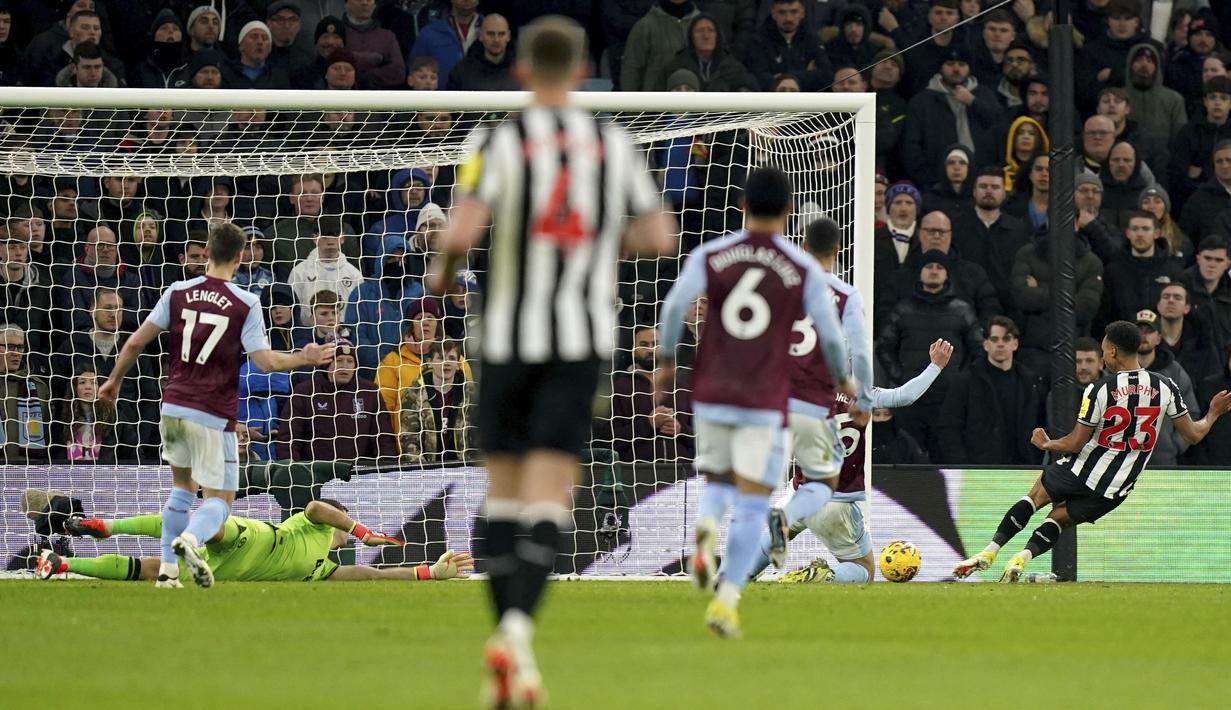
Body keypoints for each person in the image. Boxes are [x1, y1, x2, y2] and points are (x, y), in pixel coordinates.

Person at [424, 17, 676, 706]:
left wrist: (442, 273)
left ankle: (506, 639)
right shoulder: (610, 143)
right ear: (582, 71)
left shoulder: (497, 138)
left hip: (506, 336)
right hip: (579, 338)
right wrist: (594, 243)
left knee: (502, 491)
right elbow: (659, 233)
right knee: (549, 491)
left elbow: (465, 229)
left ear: (521, 71)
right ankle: (515, 632)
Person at [657, 167, 851, 638]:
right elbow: (828, 331)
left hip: (713, 392)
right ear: (788, 211)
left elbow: (675, 304)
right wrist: (844, 379)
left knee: (720, 483)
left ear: (742, 204)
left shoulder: (712, 253)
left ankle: (705, 527)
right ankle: (725, 602)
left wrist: (665, 360)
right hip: (765, 398)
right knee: (751, 502)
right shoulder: (802, 267)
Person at [97, 223, 333, 589]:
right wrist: (306, 356)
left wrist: (113, 381)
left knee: (182, 489)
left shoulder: (176, 292)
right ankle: (191, 540)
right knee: (220, 501)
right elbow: (266, 363)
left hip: (172, 405)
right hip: (213, 413)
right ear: (240, 258)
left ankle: (167, 572)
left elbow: (133, 343)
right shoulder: (246, 302)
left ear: (206, 252)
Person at [954, 321, 1231, 583]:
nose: (1102, 357)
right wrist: (1213, 413)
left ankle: (990, 550)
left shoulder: (1099, 390)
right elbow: (1194, 435)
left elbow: (1075, 443)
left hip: (1083, 469)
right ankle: (1022, 558)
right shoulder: (1165, 386)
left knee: (1036, 495)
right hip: (1117, 488)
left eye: (1102, 351)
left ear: (1112, 351)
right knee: (1058, 519)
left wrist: (1049, 444)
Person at [766, 339, 954, 584]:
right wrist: (935, 366)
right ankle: (824, 576)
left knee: (771, 540)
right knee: (864, 570)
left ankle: (734, 575)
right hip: (836, 498)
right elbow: (903, 396)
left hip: (801, 490)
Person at [761, 217, 873, 571]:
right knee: (863, 569)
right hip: (816, 406)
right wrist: (864, 397)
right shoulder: (844, 295)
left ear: (804, 248)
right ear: (837, 251)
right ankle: (820, 574)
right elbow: (862, 352)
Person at [39, 499, 472, 583]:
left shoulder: (326, 570)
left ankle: (62, 565)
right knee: (202, 524)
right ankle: (107, 526)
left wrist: (428, 572)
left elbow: (373, 573)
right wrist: (359, 529)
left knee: (152, 570)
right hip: (262, 543)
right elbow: (318, 505)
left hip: (227, 570)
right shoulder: (320, 525)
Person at [938, 316, 1043, 464]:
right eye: (994, 339)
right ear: (986, 344)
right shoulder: (966, 380)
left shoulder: (1029, 381)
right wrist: (962, 464)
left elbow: (1039, 424)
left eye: (1006, 339)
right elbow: (950, 426)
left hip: (1021, 467)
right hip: (979, 468)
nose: (1000, 344)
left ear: (1015, 344)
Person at [275, 339, 396, 462]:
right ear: (327, 363)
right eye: (338, 361)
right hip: (316, 474)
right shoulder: (305, 392)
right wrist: (294, 472)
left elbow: (383, 438)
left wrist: (386, 472)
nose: (344, 366)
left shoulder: (369, 392)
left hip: (360, 474)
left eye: (350, 361)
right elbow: (289, 439)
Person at [399, 338, 476, 465]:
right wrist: (422, 469)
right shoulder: (413, 394)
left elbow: (478, 432)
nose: (446, 363)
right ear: (429, 362)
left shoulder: (471, 393)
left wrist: (474, 465)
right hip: (426, 469)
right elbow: (409, 437)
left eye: (451, 358)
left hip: (466, 468)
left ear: (458, 364)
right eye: (440, 358)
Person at [621, 0, 702, 92]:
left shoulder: (705, 25)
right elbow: (631, 72)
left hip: (698, 102)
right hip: (655, 102)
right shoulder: (645, 26)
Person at [1157, 282, 1222, 384]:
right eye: (1166, 297)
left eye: (1177, 297)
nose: (1170, 301)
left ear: (1187, 308)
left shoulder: (1202, 344)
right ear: (1158, 306)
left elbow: (1212, 381)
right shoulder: (1146, 342)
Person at [1184, 235, 1231, 350]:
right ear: (1198, 259)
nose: (1212, 265)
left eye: (1218, 260)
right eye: (1207, 258)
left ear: (1228, 264)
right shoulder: (1181, 287)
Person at [450, 14, 516, 91]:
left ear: (508, 36)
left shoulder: (522, 72)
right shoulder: (461, 72)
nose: (496, 39)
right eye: (490, 34)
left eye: (501, 34)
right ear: (480, 35)